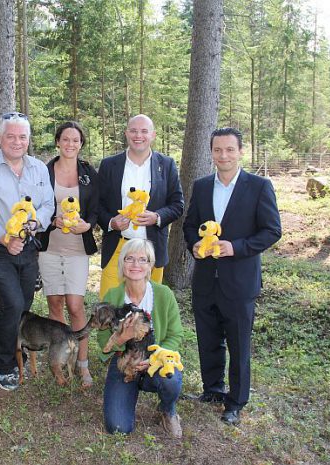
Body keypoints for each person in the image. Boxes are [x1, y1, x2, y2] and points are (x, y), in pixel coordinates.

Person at [183, 127, 281, 425]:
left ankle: (236, 402)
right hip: (205, 280)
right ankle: (212, 389)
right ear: (211, 152)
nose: (223, 155)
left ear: (240, 152)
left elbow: (272, 231)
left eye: (229, 150)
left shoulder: (259, 186)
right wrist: (195, 245)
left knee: (238, 344)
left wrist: (235, 247)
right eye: (217, 150)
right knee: (208, 339)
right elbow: (189, 226)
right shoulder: (201, 186)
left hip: (239, 282)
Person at [0, 112, 55, 391]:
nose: (17, 141)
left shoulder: (38, 168)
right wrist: (5, 238)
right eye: (10, 136)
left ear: (28, 139)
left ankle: (9, 346)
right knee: (10, 302)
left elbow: (48, 204)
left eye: (22, 136)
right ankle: (2, 364)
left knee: (22, 305)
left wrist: (37, 223)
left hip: (29, 248)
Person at [98, 238, 183, 439]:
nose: (136, 265)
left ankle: (167, 410)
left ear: (150, 265)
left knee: (169, 379)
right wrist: (122, 337)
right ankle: (127, 391)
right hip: (124, 361)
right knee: (118, 427)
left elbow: (175, 334)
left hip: (156, 360)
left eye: (142, 260)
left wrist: (154, 358)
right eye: (130, 259)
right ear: (122, 264)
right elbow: (103, 343)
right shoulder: (112, 296)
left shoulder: (163, 294)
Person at [37, 121, 99, 387]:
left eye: (75, 140)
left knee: (75, 305)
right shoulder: (44, 171)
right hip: (49, 248)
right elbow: (36, 202)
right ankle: (60, 359)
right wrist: (52, 219)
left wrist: (89, 224)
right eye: (65, 139)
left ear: (81, 143)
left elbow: (97, 207)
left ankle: (82, 364)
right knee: (55, 306)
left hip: (76, 250)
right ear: (58, 142)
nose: (70, 144)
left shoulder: (88, 173)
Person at [97, 114, 184, 300]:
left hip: (152, 249)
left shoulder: (167, 165)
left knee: (147, 308)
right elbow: (98, 205)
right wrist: (111, 222)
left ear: (153, 135)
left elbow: (178, 204)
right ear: (126, 133)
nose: (139, 135)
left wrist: (157, 217)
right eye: (134, 130)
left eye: (144, 131)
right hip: (118, 245)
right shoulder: (109, 165)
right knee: (108, 306)